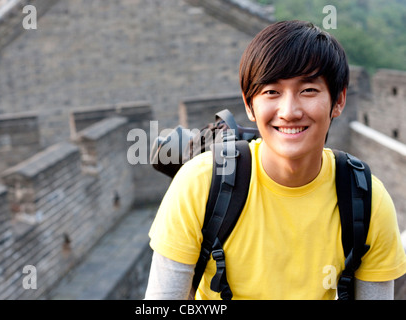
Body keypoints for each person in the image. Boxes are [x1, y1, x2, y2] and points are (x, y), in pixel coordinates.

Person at [145, 20, 406, 300]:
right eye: (271, 92)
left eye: (308, 90)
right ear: (249, 104)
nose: (289, 111)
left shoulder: (367, 200)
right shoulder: (199, 184)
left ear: (338, 101)